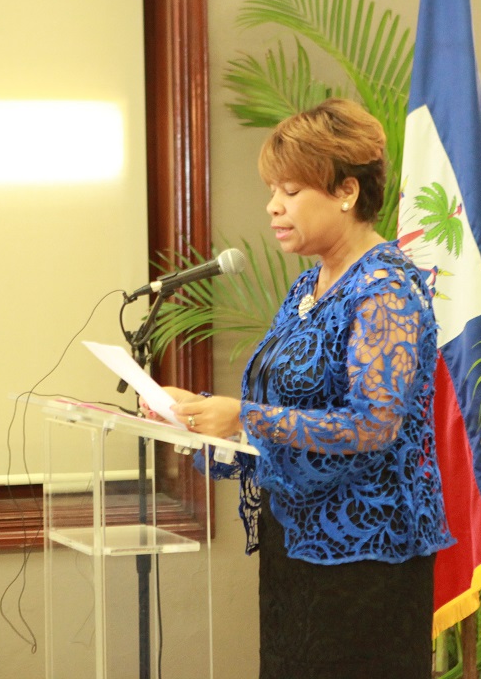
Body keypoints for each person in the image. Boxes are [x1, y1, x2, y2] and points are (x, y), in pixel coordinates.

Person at [165, 98, 452, 679]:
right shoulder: (305, 289)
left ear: (346, 192)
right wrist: (201, 423)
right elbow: (283, 413)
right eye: (273, 189)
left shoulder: (385, 289)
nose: (273, 206)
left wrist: (246, 418)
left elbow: (373, 426)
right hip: (296, 549)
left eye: (291, 191)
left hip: (365, 563)